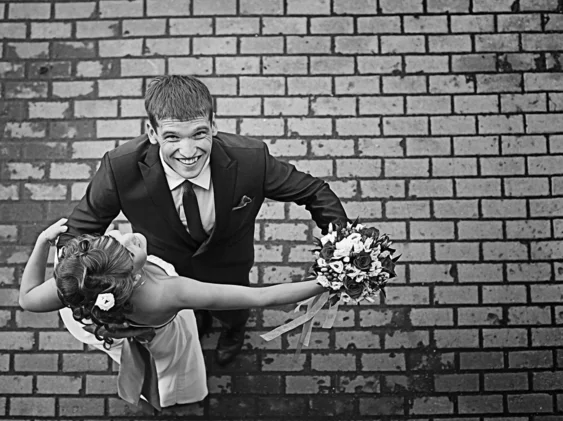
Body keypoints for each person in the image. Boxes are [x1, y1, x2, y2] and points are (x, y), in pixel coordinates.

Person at [57, 75, 348, 365]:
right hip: (163, 275)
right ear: (153, 132)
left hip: (230, 266)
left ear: (214, 125)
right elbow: (79, 229)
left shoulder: (251, 160)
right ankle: (197, 323)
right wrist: (91, 293)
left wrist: (344, 252)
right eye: (172, 137)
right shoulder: (120, 168)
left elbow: (315, 192)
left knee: (234, 312)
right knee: (186, 316)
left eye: (199, 134)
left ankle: (233, 332)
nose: (188, 152)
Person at [20, 219, 329, 410]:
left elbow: (28, 299)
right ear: (128, 278)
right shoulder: (169, 293)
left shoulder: (79, 281)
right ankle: (177, 398)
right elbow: (262, 296)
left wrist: (43, 242)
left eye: (114, 242)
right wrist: (325, 282)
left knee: (141, 360)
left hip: (101, 327)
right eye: (127, 252)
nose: (128, 239)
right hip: (159, 335)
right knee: (173, 366)